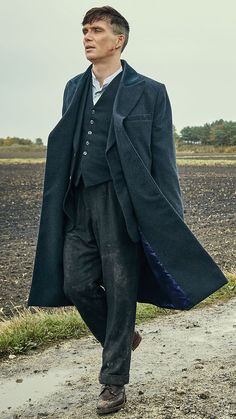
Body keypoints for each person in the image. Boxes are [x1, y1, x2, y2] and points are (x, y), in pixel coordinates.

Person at [28, 6, 227, 416]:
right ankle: (121, 337)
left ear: (117, 40)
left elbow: (162, 157)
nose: (87, 37)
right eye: (84, 30)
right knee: (76, 283)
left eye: (96, 30)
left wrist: (169, 217)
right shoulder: (73, 87)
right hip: (79, 202)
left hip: (123, 204)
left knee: (121, 293)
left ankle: (113, 382)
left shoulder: (150, 91)